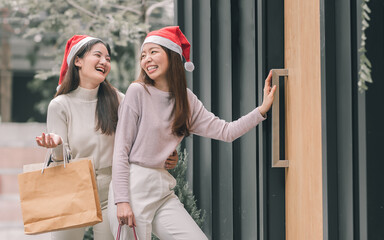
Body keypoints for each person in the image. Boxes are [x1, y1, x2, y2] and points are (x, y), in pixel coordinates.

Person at [110, 26, 277, 239]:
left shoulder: (186, 99)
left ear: (172, 56)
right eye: (143, 55)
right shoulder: (137, 92)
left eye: (154, 52)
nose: (147, 59)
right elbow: (121, 150)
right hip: (134, 188)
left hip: (162, 189)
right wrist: (122, 200)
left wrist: (261, 110)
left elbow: (226, 131)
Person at [35, 35, 179, 240]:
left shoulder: (119, 99)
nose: (104, 62)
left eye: (108, 58)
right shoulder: (60, 105)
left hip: (111, 191)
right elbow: (59, 161)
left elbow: (144, 137)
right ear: (78, 60)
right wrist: (57, 146)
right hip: (72, 187)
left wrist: (167, 154)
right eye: (98, 55)